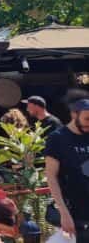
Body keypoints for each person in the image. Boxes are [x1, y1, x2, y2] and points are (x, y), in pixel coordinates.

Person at [45, 97, 89, 241]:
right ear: (74, 115)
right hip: (75, 211)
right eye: (86, 119)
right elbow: (51, 176)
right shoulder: (57, 139)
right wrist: (64, 213)